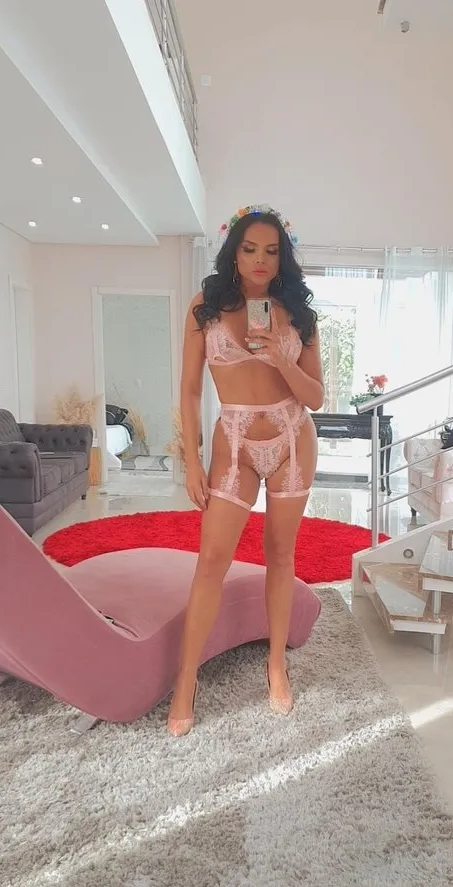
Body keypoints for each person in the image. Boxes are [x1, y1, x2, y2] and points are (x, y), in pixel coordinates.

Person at [167, 204, 324, 737]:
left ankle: (276, 665)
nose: (261, 259)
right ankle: (186, 678)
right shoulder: (205, 308)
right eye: (250, 248)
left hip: (292, 438)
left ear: (283, 258)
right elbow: (191, 390)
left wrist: (281, 358)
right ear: (234, 252)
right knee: (212, 559)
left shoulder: (298, 314)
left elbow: (316, 397)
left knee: (280, 554)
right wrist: (190, 460)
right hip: (232, 443)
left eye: (272, 251)